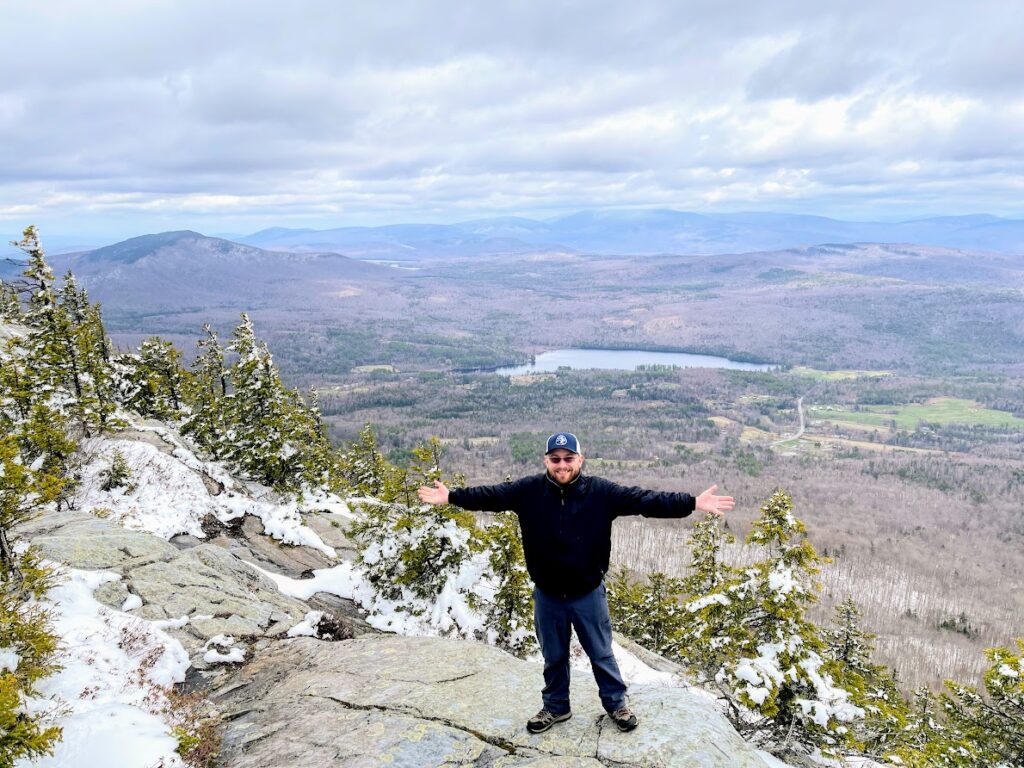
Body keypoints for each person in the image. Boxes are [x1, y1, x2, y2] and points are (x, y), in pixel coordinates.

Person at [417, 431, 734, 734]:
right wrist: (453, 497)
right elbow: (490, 495)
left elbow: (646, 501)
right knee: (553, 655)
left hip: (587, 593)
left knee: (601, 653)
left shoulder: (602, 493)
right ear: (546, 461)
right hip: (548, 594)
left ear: (580, 460)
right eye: (555, 458)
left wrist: (692, 502)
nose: (562, 464)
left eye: (568, 458)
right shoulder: (528, 492)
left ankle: (616, 705)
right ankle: (556, 707)